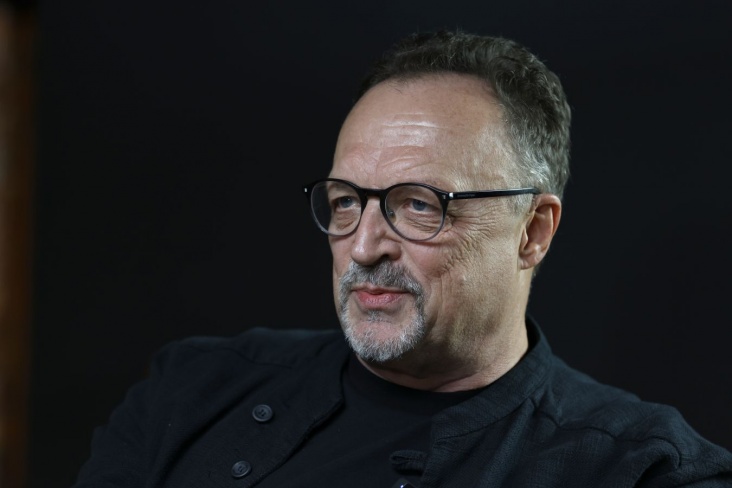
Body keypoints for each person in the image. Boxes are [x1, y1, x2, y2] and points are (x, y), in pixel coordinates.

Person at [73, 29, 732, 487]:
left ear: (532, 231)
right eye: (346, 202)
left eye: (419, 205)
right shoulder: (196, 388)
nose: (363, 247)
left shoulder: (644, 471)